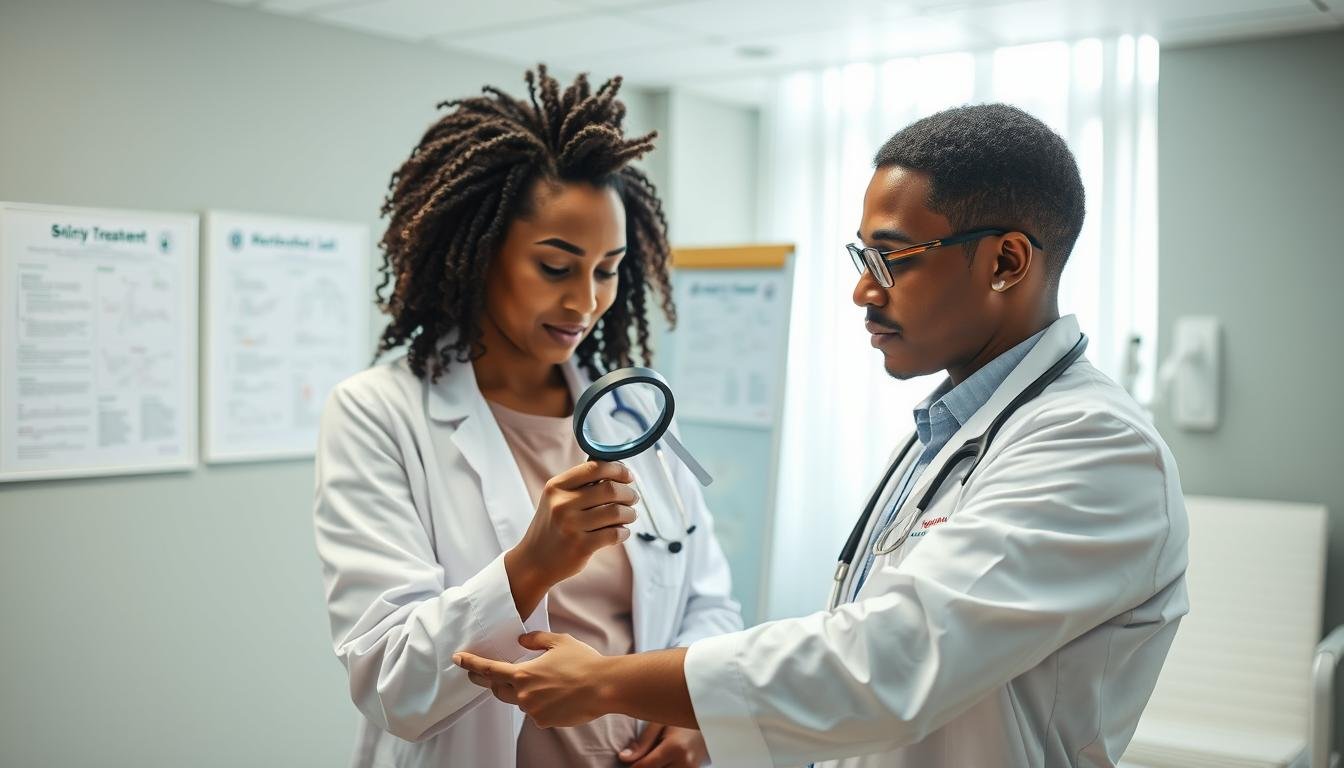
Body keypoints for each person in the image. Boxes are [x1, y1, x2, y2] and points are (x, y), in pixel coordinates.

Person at [454, 103, 1190, 767]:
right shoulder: (955, 428)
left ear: (1005, 262)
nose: (863, 291)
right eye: (858, 259)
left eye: (890, 260)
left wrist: (611, 683)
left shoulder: (1095, 448)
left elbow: (889, 662)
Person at [313, 65, 742, 768]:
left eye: (608, 269)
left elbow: (707, 599)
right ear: (479, 257)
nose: (586, 301)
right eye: (555, 266)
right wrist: (531, 566)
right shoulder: (377, 415)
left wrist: (692, 711)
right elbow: (391, 681)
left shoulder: (632, 410)